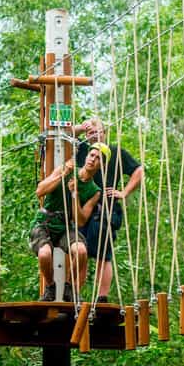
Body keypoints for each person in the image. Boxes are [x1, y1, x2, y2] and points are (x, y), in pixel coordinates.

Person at [70, 118, 144, 302]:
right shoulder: (82, 150)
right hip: (80, 210)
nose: (94, 135)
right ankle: (75, 295)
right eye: (90, 132)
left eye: (97, 131)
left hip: (103, 210)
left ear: (104, 133)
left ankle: (102, 297)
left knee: (103, 255)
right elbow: (63, 136)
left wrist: (124, 192)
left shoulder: (116, 153)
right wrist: (81, 128)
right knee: (80, 252)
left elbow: (139, 170)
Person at [30, 143, 110, 301]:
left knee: (81, 251)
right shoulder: (66, 169)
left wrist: (75, 194)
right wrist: (63, 174)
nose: (92, 159)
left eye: (98, 158)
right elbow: (40, 191)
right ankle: (51, 287)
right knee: (45, 254)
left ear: (102, 166)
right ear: (86, 156)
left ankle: (68, 287)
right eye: (91, 155)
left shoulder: (95, 191)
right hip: (45, 221)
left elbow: (80, 221)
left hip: (65, 225)